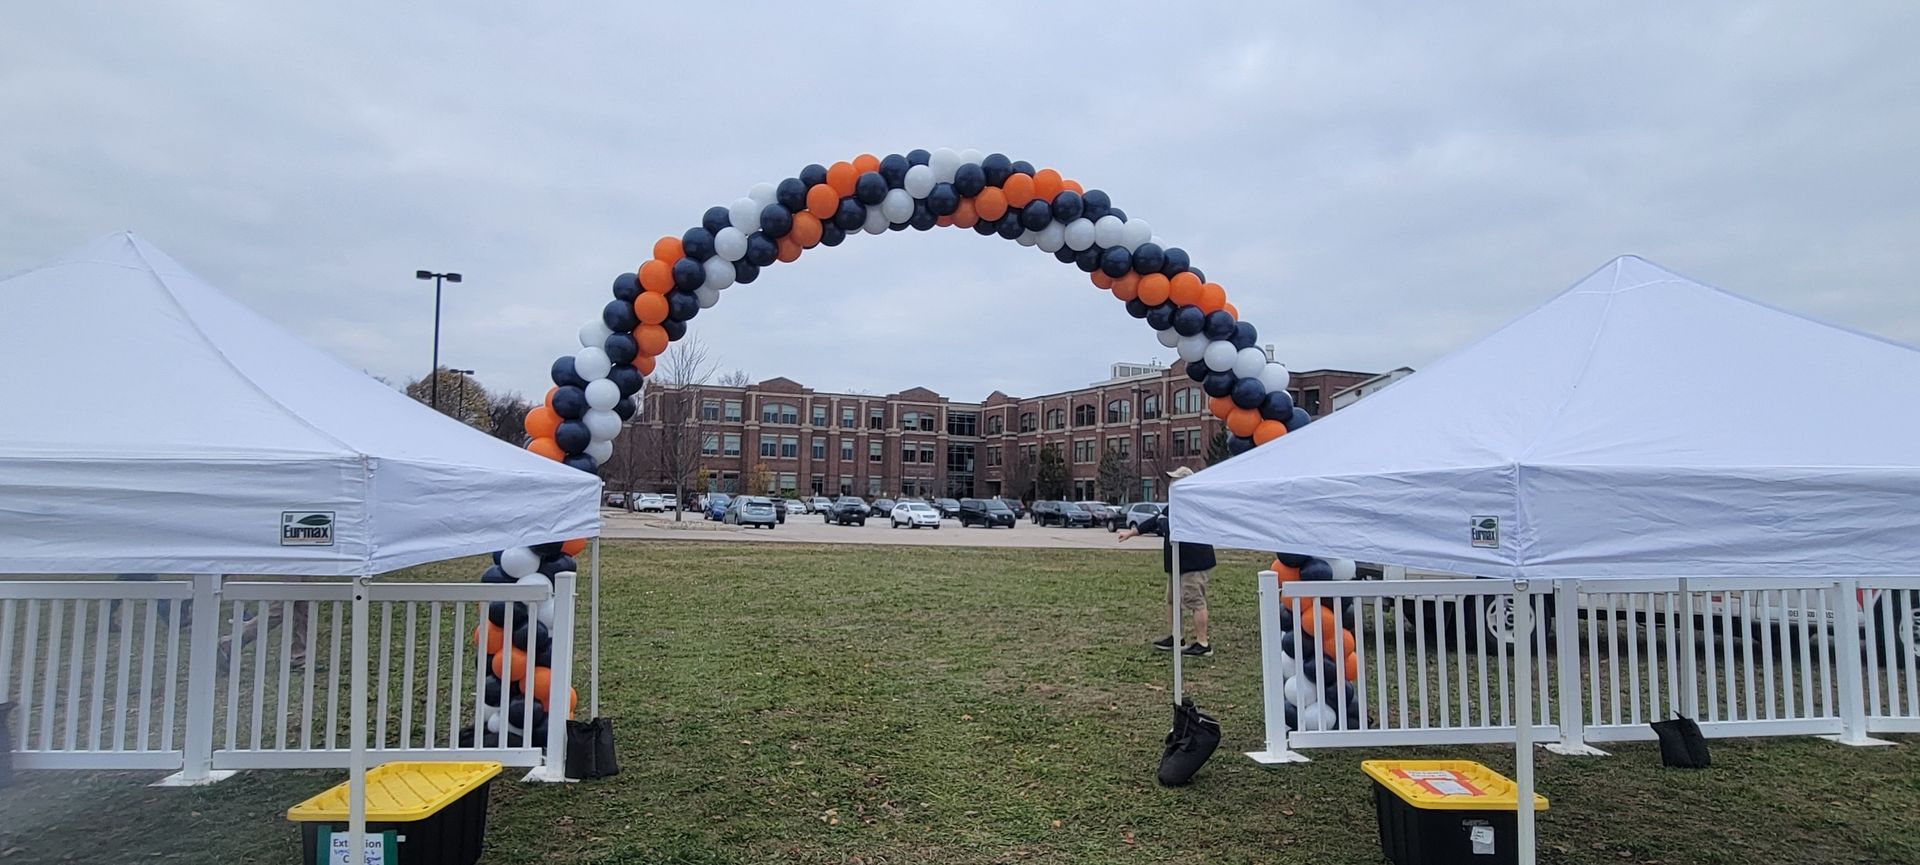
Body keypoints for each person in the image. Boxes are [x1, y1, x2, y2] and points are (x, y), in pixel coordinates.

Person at [1117, 466, 1216, 657]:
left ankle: (1203, 644)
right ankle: (1176, 637)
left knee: (1194, 600)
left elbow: (1169, 527)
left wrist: (1163, 523)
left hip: (1193, 564)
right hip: (1176, 563)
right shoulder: (1174, 506)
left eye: (1176, 481)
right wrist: (1131, 533)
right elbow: (1156, 521)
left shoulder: (1195, 506)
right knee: (1172, 600)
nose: (1172, 484)